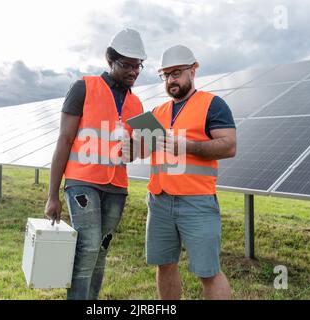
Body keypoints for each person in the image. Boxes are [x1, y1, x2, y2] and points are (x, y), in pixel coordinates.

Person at [44, 28, 146, 300]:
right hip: (82, 183)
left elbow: (136, 154)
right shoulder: (83, 87)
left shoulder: (137, 104)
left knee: (101, 250)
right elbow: (64, 140)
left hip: (116, 188)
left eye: (138, 66)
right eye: (127, 65)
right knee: (87, 246)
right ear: (110, 60)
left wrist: (138, 146)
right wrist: (52, 195)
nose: (134, 71)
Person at [137, 45, 236, 300]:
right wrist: (131, 147)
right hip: (159, 201)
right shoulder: (158, 112)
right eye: (166, 75)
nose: (171, 80)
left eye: (177, 72)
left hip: (196, 202)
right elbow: (144, 152)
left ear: (194, 70)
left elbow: (229, 146)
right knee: (165, 265)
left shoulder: (213, 105)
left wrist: (188, 146)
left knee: (209, 272)